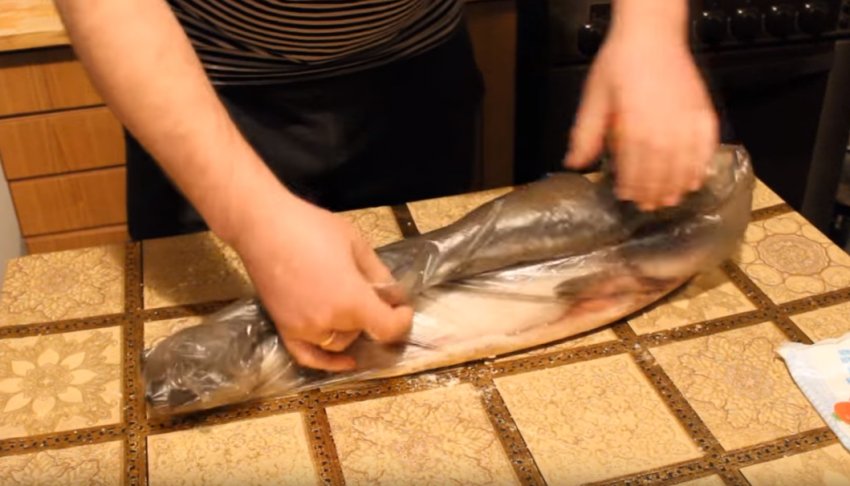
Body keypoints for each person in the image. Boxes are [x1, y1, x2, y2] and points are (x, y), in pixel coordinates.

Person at [54, 0, 718, 371]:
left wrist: (651, 31)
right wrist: (250, 215)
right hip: (204, 98)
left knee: (416, 343)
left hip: (418, 79)